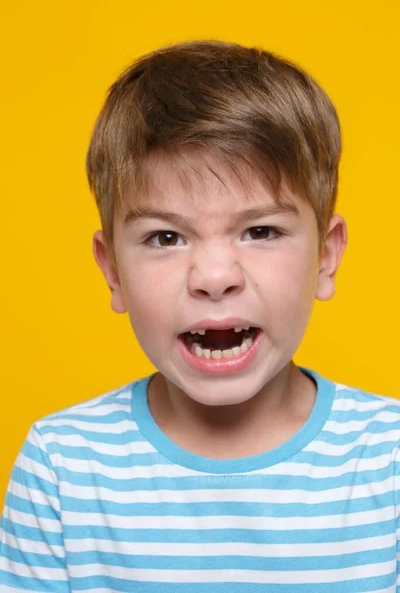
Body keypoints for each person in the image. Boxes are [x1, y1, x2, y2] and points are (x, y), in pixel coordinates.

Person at [0, 40, 398, 593]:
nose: (214, 276)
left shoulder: (388, 459)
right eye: (166, 237)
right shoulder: (62, 469)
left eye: (261, 231)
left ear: (326, 257)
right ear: (112, 268)